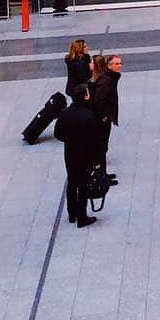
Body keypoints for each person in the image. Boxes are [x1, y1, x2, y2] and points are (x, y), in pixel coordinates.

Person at [54, 86, 101, 228]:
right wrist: (96, 160)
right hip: (85, 156)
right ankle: (82, 216)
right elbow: (94, 140)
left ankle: (72, 213)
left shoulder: (64, 113)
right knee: (83, 185)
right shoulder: (89, 115)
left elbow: (58, 134)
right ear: (85, 96)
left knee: (72, 182)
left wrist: (69, 140)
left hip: (70, 153)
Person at [89, 53, 121, 186]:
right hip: (102, 120)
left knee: (103, 147)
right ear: (108, 66)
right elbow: (100, 101)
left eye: (120, 63)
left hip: (105, 118)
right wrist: (104, 116)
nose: (119, 66)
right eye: (116, 63)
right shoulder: (106, 80)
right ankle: (101, 177)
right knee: (101, 148)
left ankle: (103, 174)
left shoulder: (109, 78)